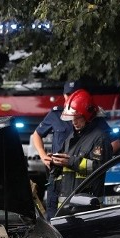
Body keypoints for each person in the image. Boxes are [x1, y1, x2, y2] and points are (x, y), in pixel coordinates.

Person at [51, 89, 114, 205]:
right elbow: (63, 171)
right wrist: (55, 162)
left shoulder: (100, 138)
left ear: (88, 116)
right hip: (65, 205)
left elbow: (99, 168)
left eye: (77, 117)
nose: (74, 122)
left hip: (87, 206)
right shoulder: (71, 137)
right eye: (72, 118)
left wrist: (70, 161)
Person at [31, 81, 78, 220]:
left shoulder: (90, 115)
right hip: (56, 175)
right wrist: (42, 155)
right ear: (63, 95)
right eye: (68, 94)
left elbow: (112, 142)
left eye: (74, 94)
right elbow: (37, 134)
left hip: (78, 175)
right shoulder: (56, 114)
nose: (70, 97)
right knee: (52, 216)